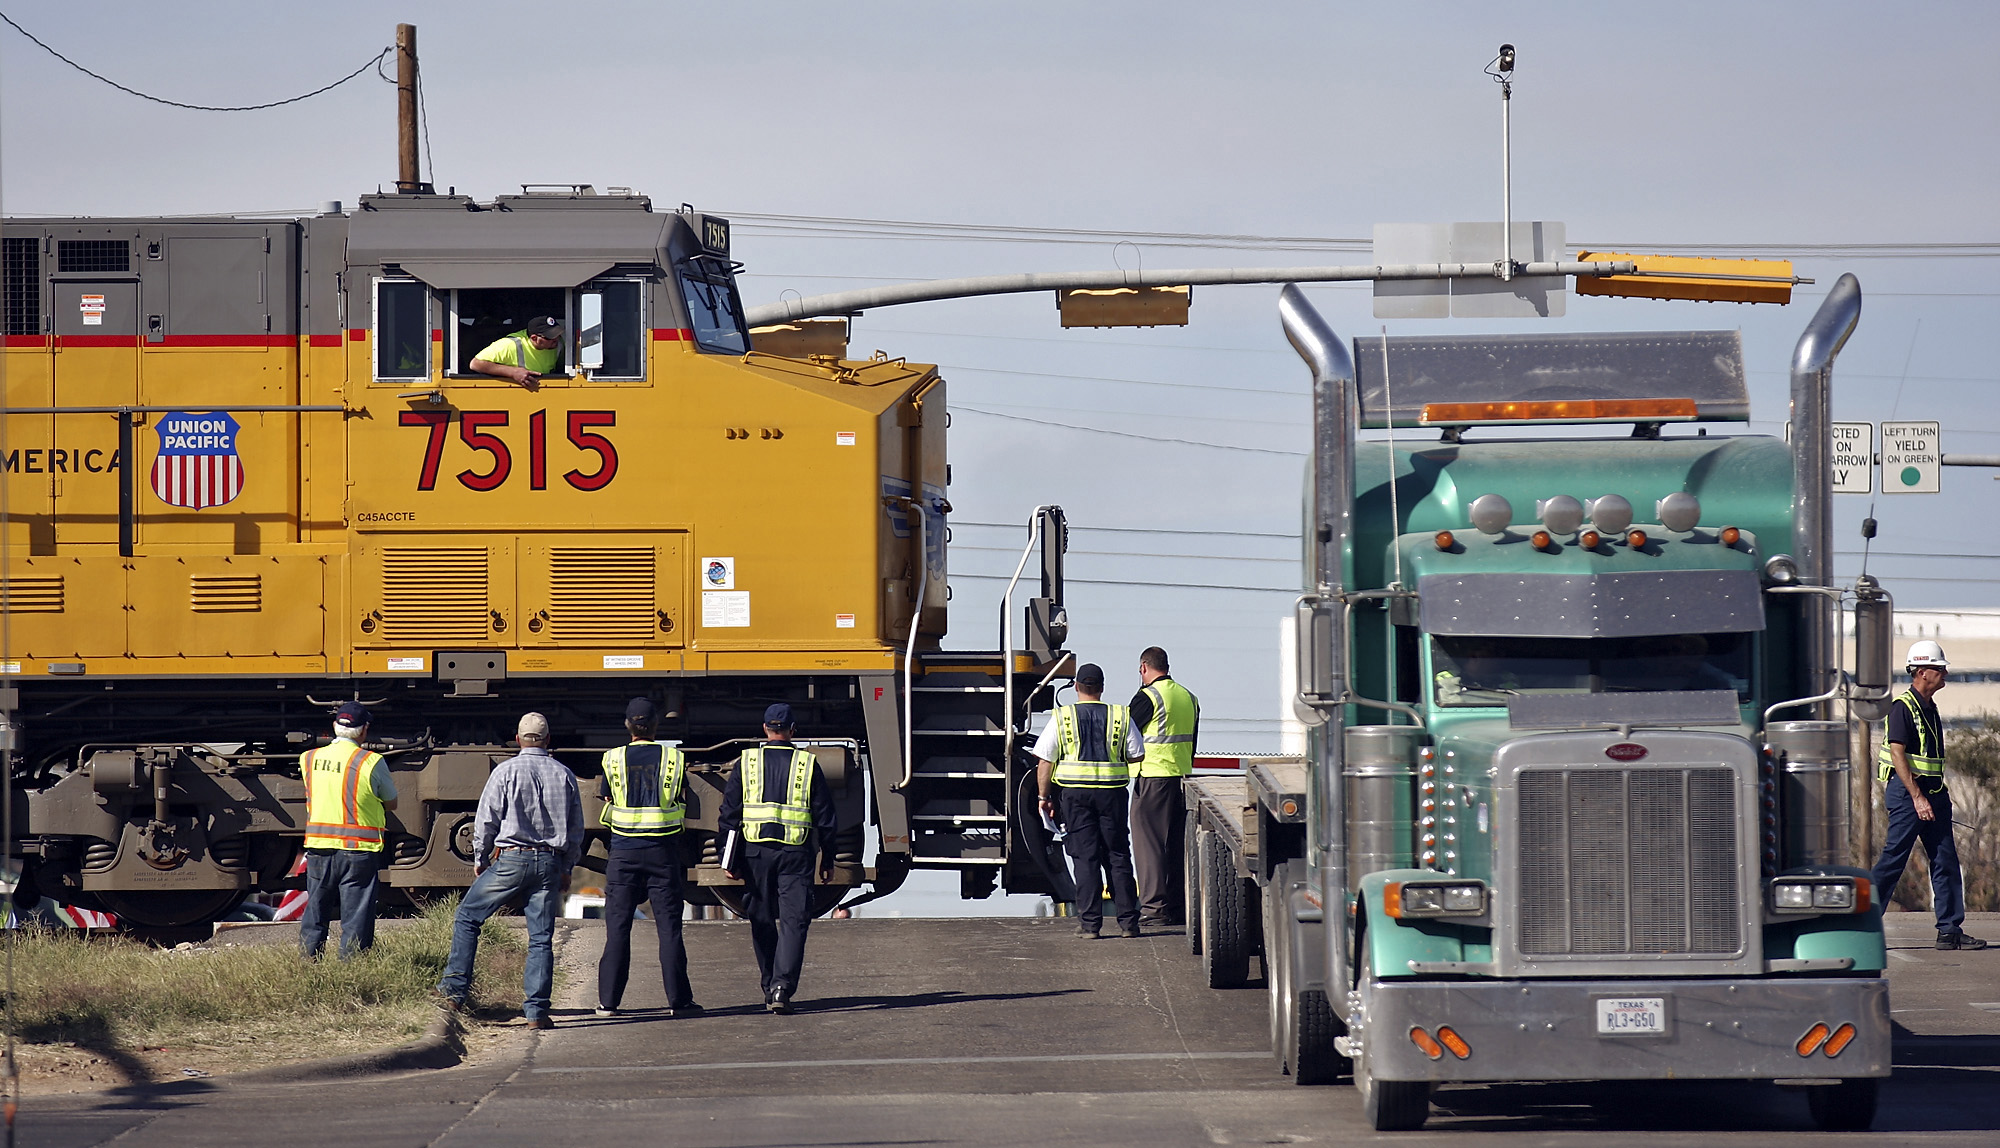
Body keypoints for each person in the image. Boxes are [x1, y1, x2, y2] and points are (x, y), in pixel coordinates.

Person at [437, 713, 585, 1028]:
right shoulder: (564, 775)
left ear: (518, 739)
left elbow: (486, 818)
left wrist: (480, 858)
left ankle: (453, 992)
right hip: (549, 862)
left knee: (467, 917)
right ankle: (536, 1012)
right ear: (547, 740)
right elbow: (575, 830)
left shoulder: (505, 772)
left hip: (512, 859)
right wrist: (567, 867)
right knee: (541, 937)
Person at [718, 703, 836, 1014]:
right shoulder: (807, 764)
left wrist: (727, 859)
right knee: (794, 922)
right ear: (792, 731)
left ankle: (769, 984)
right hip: (796, 853)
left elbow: (729, 814)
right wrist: (829, 858)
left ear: (765, 730)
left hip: (756, 852)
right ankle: (782, 987)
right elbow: (825, 816)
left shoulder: (747, 761)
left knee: (761, 919)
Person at [1869, 641, 1988, 951]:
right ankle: (1862, 925)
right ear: (1922, 672)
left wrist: (1934, 796)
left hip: (1934, 793)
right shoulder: (1902, 708)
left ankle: (1950, 931)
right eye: (1939, 668)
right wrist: (1917, 798)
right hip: (1910, 794)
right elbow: (1898, 754)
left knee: (1945, 860)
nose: (1945, 672)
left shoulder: (1929, 707)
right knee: (1893, 861)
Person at [595, 697, 702, 1018]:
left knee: (617, 928)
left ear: (628, 726)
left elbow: (606, 796)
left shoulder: (611, 760)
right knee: (669, 928)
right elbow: (683, 797)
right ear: (656, 723)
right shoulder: (675, 758)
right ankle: (679, 1001)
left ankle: (608, 1003)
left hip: (624, 853)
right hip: (663, 853)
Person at [1035, 663, 1144, 938]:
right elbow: (1137, 754)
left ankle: (1090, 926)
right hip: (1112, 794)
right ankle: (1129, 924)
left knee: (1085, 859)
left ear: (1076, 687)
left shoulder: (1063, 717)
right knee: (1117, 856)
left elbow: (1045, 760)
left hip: (1074, 797)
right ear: (1102, 688)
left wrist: (1043, 797)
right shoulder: (1120, 715)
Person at [298, 701, 397, 959]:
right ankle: (351, 972)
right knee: (356, 919)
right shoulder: (371, 762)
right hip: (357, 850)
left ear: (334, 727)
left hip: (319, 847)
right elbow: (391, 801)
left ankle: (308, 967)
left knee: (315, 913)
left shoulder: (308, 759)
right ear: (364, 730)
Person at [1128, 646, 1199, 927]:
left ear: (1144, 667)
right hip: (1182, 778)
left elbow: (1126, 734)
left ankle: (1155, 909)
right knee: (1176, 846)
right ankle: (1180, 908)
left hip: (1153, 777)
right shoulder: (1189, 697)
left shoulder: (1148, 696)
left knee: (1149, 846)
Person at [468, 315, 564, 385]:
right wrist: (512, 372)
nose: (556, 339)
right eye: (550, 337)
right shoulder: (510, 345)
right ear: (534, 338)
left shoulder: (558, 344)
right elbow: (476, 364)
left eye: (557, 335)